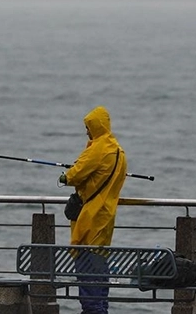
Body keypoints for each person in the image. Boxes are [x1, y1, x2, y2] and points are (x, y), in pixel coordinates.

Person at [58, 106, 127, 314]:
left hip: (90, 217)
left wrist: (64, 176)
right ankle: (100, 308)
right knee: (100, 265)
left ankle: (93, 310)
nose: (86, 131)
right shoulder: (118, 150)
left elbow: (76, 174)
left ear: (96, 126)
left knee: (86, 265)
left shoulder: (98, 148)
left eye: (88, 127)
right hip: (106, 215)